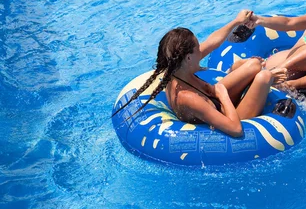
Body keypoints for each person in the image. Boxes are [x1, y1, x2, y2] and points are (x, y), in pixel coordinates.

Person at [112, 10, 286, 137]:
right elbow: (235, 129)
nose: (201, 50)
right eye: (197, 48)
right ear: (188, 58)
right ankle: (266, 81)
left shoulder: (177, 68)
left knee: (254, 65)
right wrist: (223, 95)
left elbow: (212, 41)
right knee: (264, 77)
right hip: (229, 117)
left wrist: (236, 21)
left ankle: (248, 75)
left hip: (214, 101)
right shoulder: (188, 98)